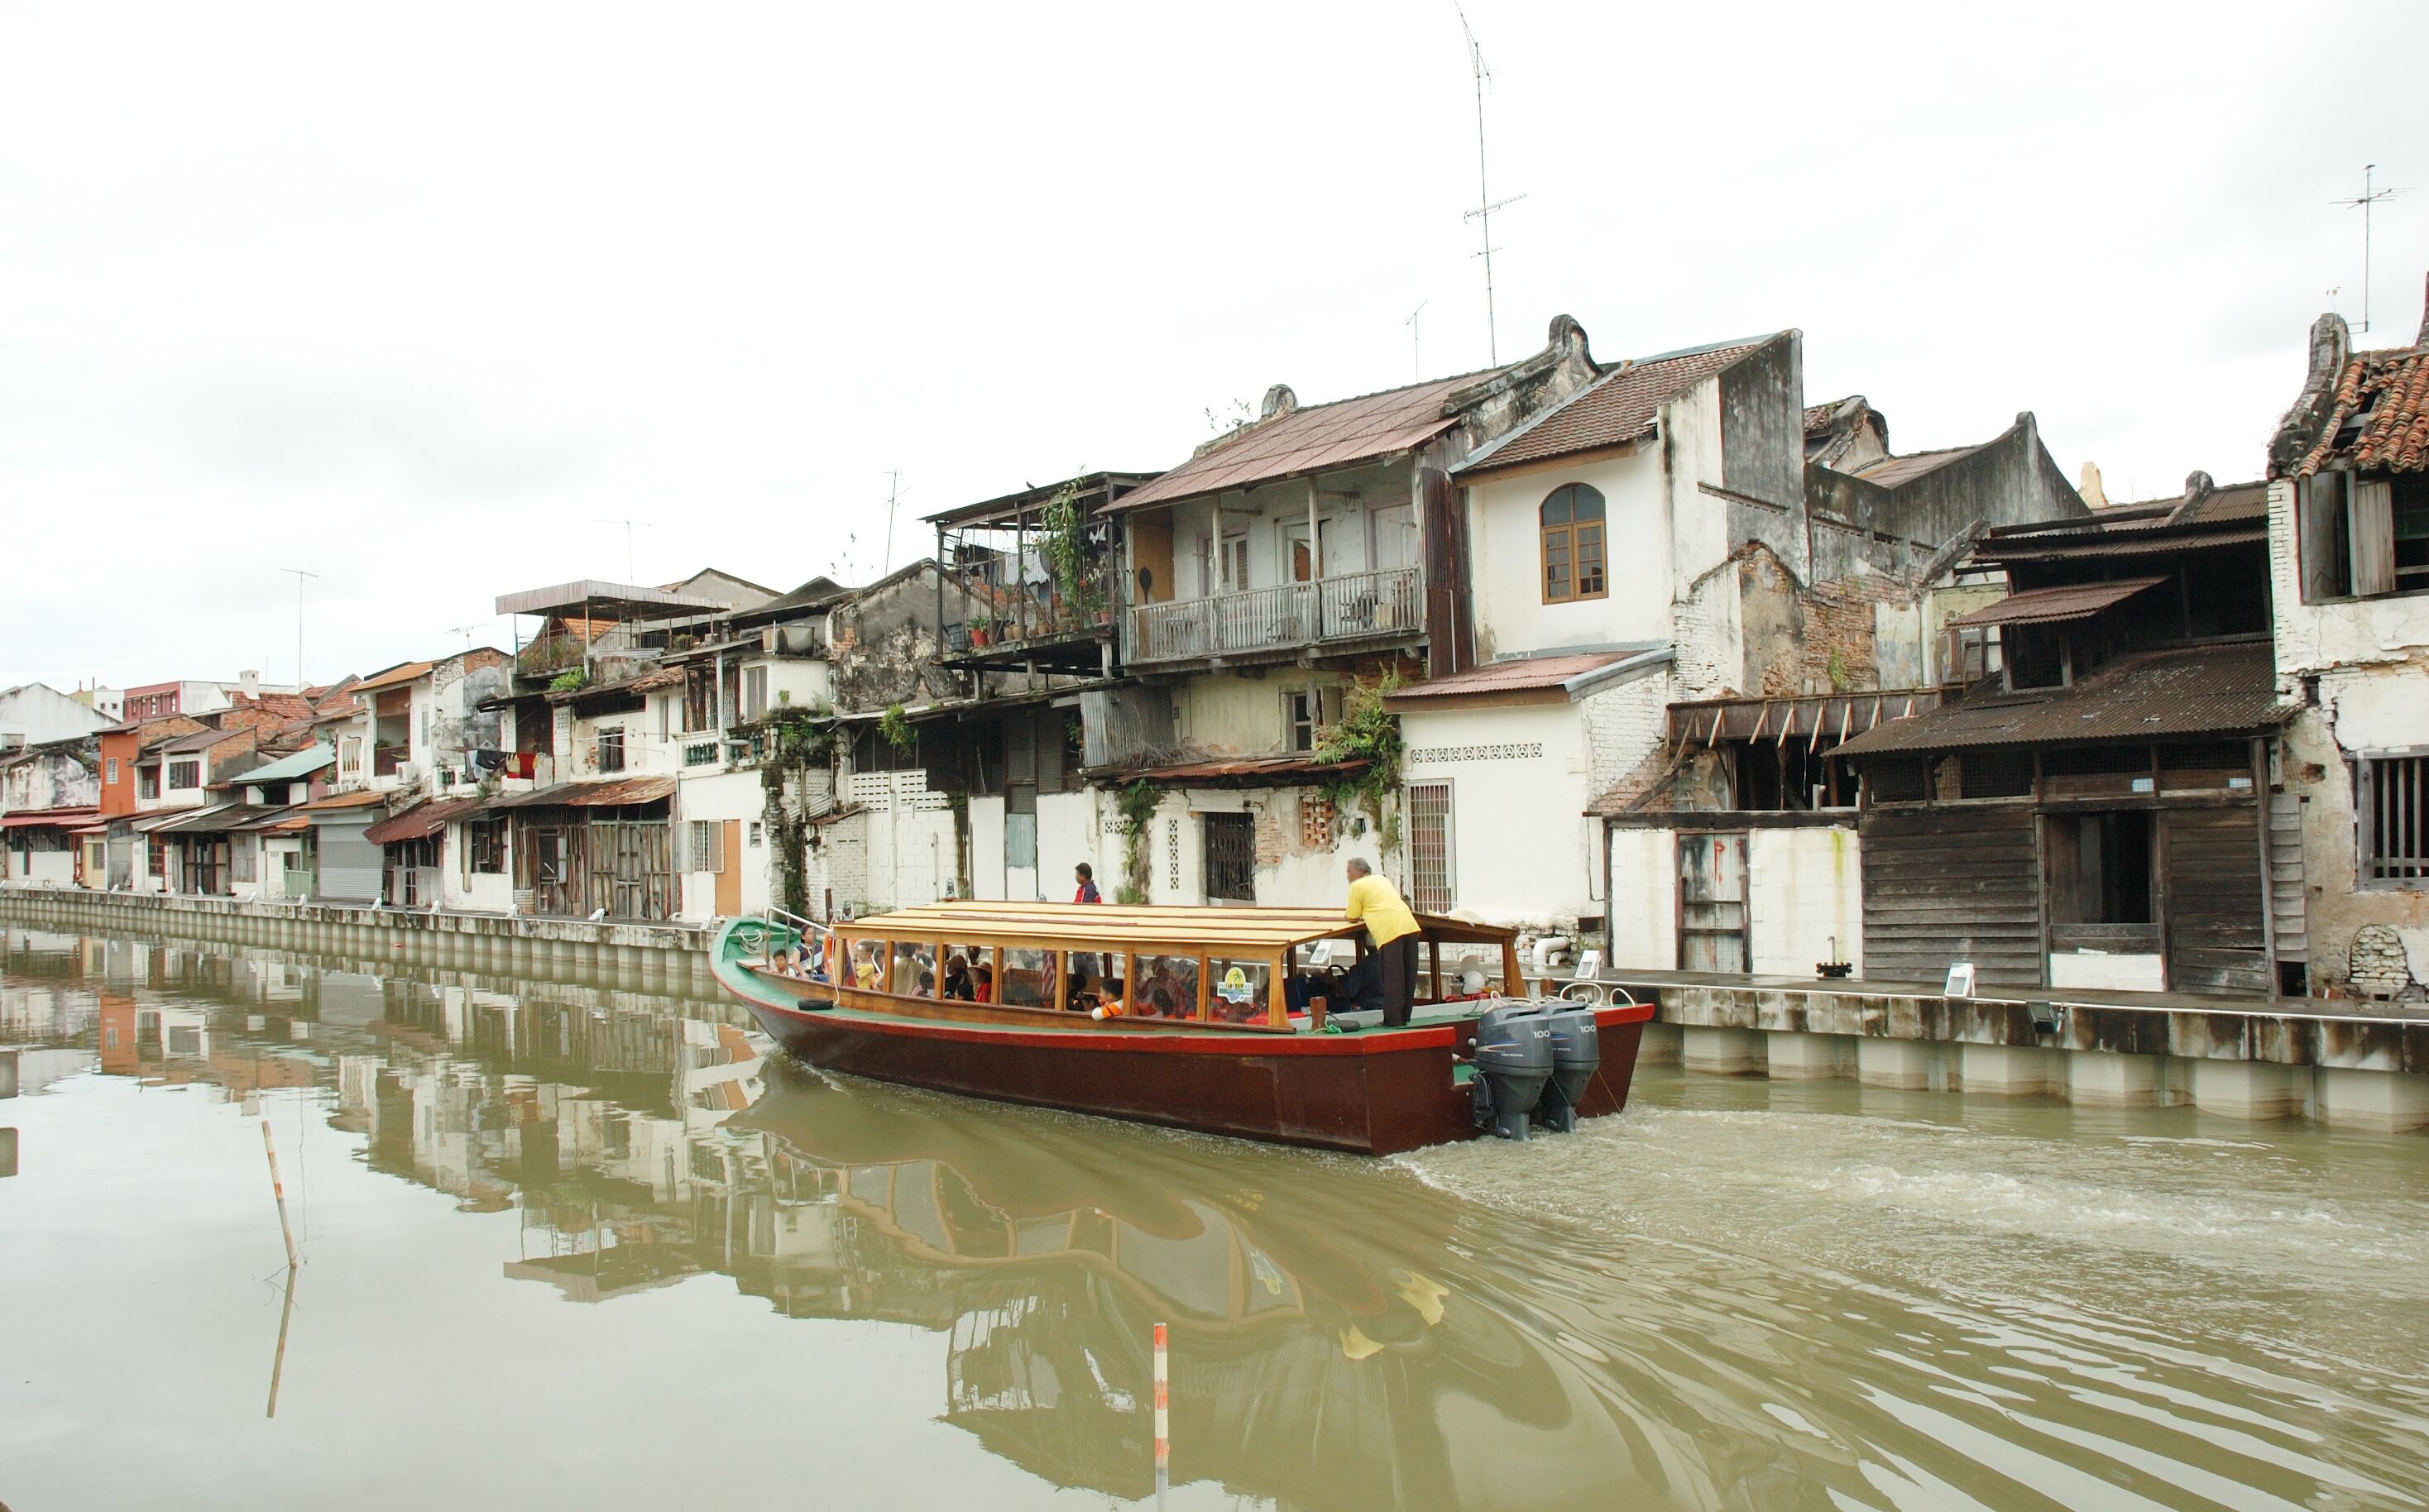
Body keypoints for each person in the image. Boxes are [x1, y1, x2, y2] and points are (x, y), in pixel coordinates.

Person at [1343, 858, 1421, 1027]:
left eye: (1350, 871)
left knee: (1393, 978)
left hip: (1390, 930)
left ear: (1360, 872)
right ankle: (1404, 1017)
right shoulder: (1382, 880)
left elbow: (1352, 916)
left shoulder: (1357, 886)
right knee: (1408, 975)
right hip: (1410, 925)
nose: (1348, 875)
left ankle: (1393, 1021)